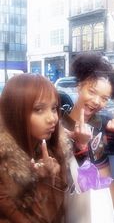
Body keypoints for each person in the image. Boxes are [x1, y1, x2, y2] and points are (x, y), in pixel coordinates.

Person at [61, 52, 114, 223]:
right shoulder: (59, 129)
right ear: (79, 86)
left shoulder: (108, 124)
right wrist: (80, 147)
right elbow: (77, 184)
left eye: (104, 98)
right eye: (92, 91)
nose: (97, 101)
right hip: (91, 216)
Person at [0, 73, 69, 223]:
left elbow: (60, 214)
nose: (52, 118)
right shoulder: (4, 161)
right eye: (38, 109)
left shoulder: (52, 149)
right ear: (15, 113)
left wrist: (51, 177)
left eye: (54, 108)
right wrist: (41, 181)